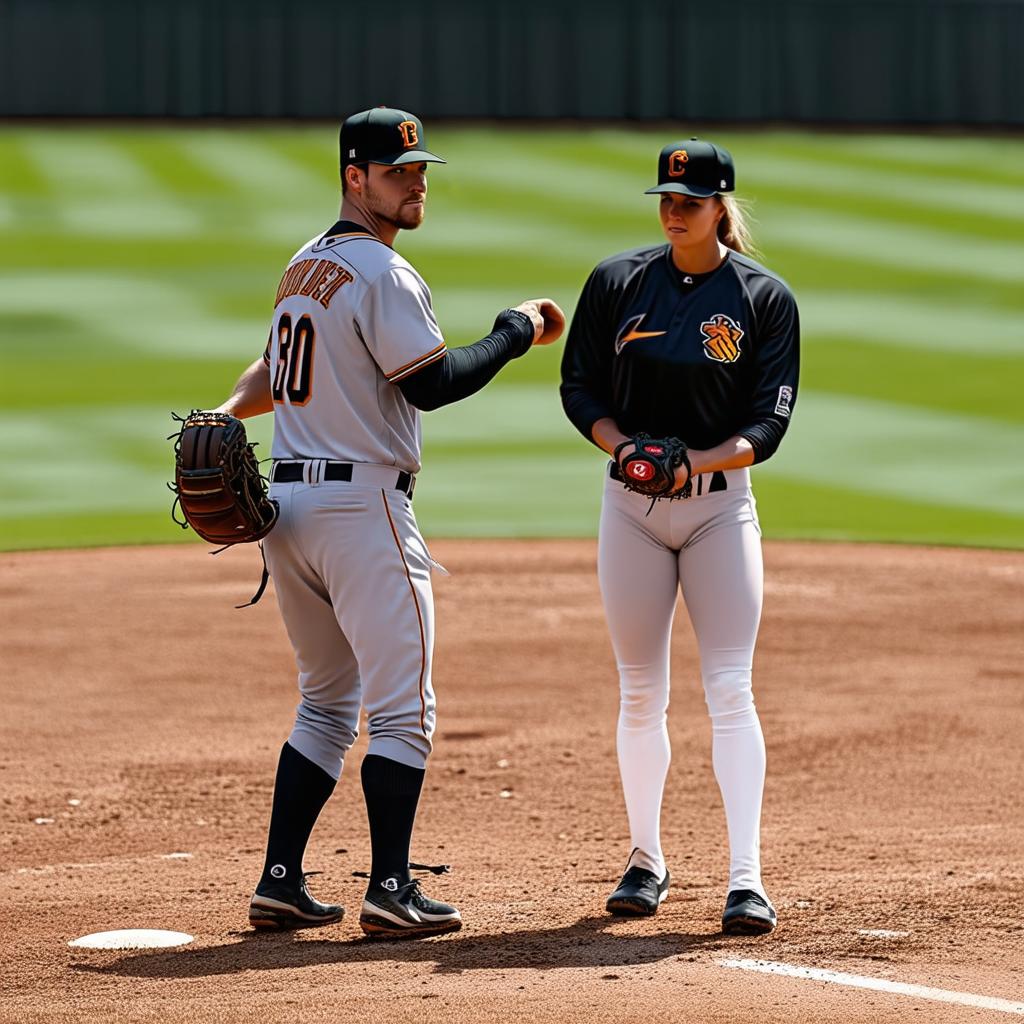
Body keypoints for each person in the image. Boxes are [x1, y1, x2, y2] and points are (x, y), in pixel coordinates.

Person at [212, 107, 564, 938]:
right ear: (353, 176)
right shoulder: (382, 273)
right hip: (362, 511)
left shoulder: (305, 265)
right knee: (403, 708)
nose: (416, 182)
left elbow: (275, 364)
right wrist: (514, 331)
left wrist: (228, 409)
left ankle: (281, 880)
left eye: (420, 169)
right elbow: (433, 383)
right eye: (397, 170)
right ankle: (392, 887)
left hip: (289, 514)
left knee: (327, 702)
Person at [559, 137, 799, 935]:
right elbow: (579, 386)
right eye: (665, 197)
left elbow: (770, 421)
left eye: (689, 200)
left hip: (720, 509)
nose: (673, 210)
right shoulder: (616, 282)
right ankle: (645, 859)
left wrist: (690, 462)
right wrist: (623, 450)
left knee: (730, 687)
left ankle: (746, 877)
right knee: (639, 689)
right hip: (630, 509)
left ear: (720, 206)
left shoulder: (764, 297)